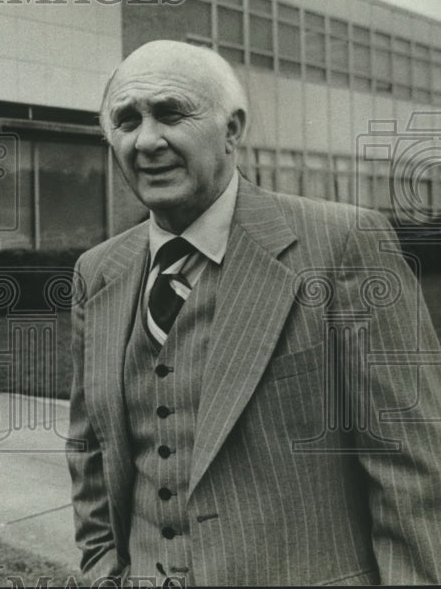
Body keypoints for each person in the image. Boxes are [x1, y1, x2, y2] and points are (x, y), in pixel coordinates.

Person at [67, 39, 441, 586]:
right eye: (126, 121)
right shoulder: (96, 271)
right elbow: (89, 453)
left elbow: (414, 474)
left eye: (171, 113)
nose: (147, 140)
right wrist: (103, 573)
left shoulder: (342, 244)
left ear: (232, 129)